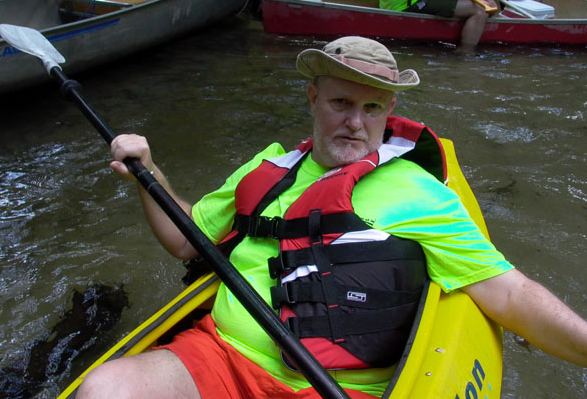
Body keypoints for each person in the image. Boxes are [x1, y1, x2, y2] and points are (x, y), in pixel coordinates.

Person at [77, 37, 587, 399]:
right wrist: (148, 170)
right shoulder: (268, 167)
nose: (355, 122)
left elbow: (508, 292)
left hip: (341, 387)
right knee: (105, 388)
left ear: (389, 110)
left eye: (372, 108)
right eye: (341, 102)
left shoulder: (419, 193)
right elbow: (185, 239)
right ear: (313, 98)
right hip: (222, 358)